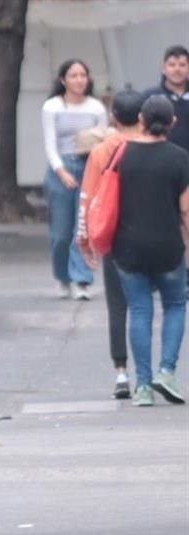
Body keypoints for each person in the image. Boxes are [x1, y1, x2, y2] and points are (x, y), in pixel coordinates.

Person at [111, 96, 189, 407]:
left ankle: (142, 386)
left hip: (128, 247)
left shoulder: (122, 155)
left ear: (141, 120)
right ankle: (166, 371)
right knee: (175, 305)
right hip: (168, 246)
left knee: (140, 310)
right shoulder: (180, 158)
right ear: (173, 122)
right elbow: (186, 211)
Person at [76, 90, 146, 400]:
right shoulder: (156, 148)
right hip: (153, 236)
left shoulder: (102, 152)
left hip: (115, 236)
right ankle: (153, 374)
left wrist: (85, 240)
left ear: (114, 117)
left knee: (118, 306)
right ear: (142, 117)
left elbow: (87, 199)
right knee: (148, 307)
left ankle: (121, 372)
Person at [42, 58, 107, 300]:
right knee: (60, 232)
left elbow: (103, 141)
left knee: (83, 228)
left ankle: (82, 280)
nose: (79, 80)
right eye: (73, 75)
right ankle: (62, 277)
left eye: (83, 75)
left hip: (89, 166)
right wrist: (62, 171)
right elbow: (50, 145)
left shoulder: (96, 108)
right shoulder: (53, 107)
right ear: (63, 80)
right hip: (61, 167)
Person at [143, 45, 189, 298]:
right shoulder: (151, 97)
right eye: (172, 64)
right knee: (158, 222)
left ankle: (185, 276)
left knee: (186, 222)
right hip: (158, 168)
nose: (177, 69)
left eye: (183, 64)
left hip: (188, 170)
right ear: (163, 67)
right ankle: (154, 276)